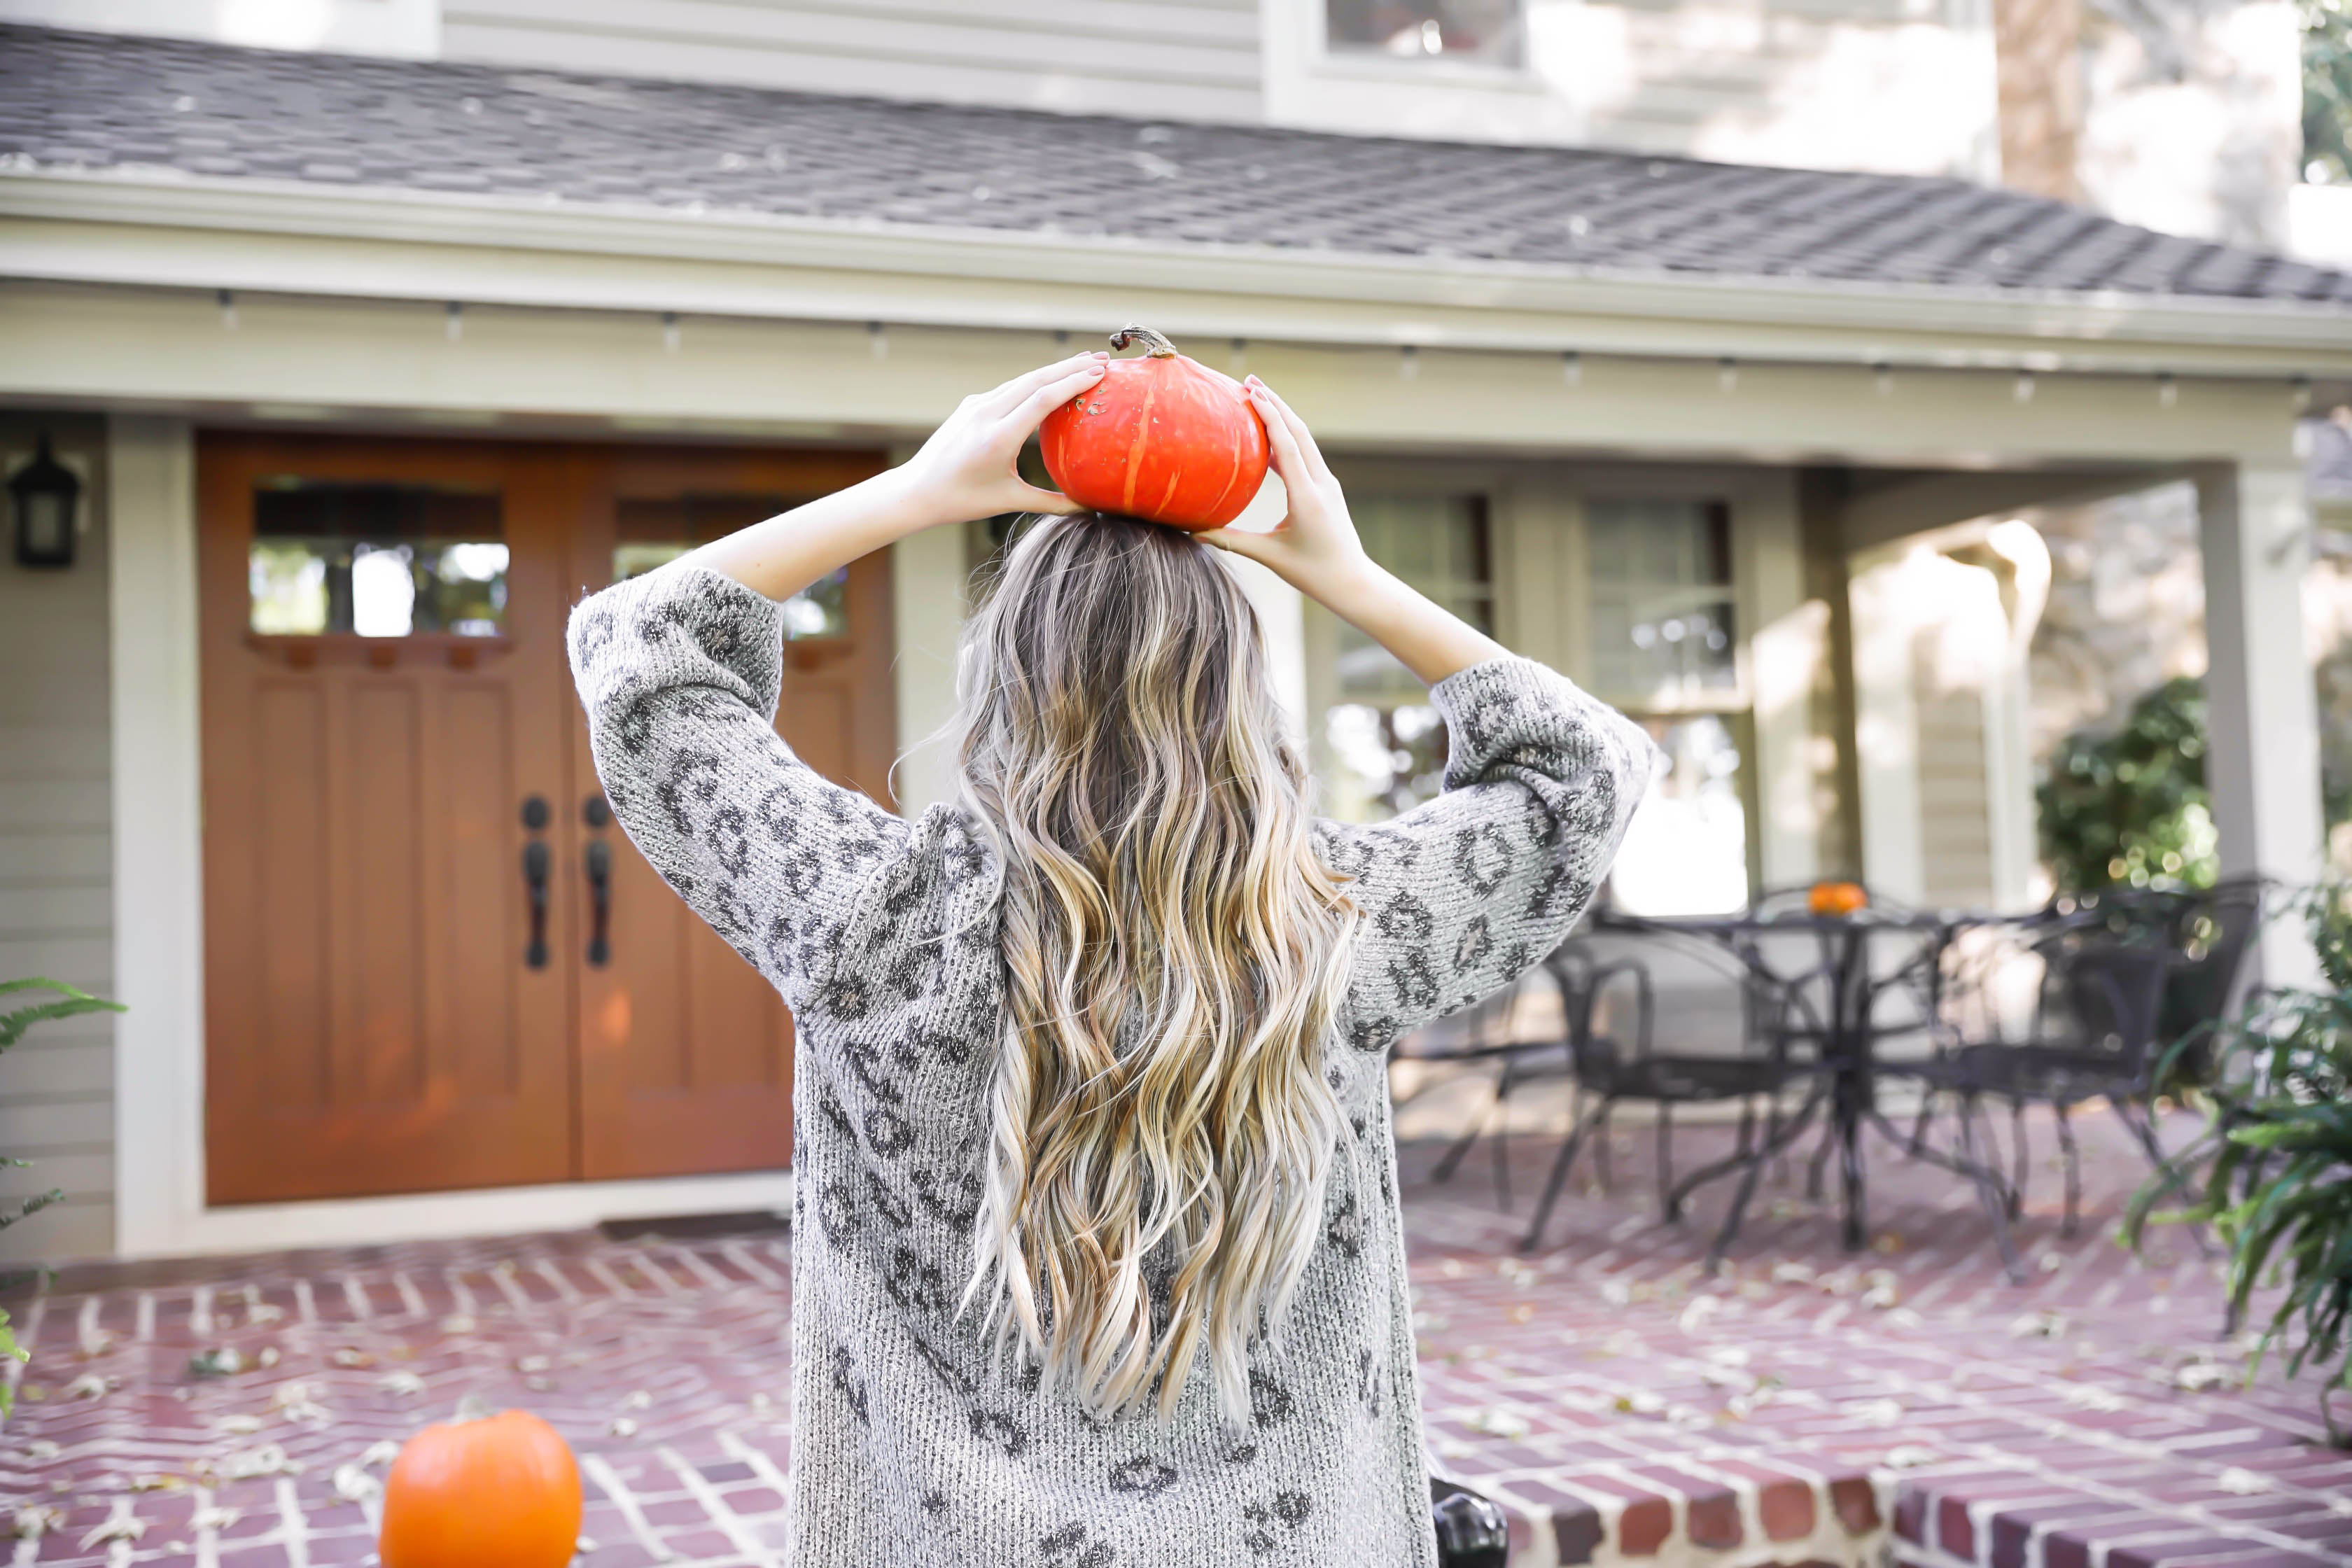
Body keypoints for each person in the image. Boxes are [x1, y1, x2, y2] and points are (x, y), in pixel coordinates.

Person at [566, 352, 1654, 1566]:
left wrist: (918, 493)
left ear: (1003, 685)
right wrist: (1336, 571)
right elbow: (1583, 766)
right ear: (1241, 695)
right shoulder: (1348, 923)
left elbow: (644, 648)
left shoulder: (870, 920)